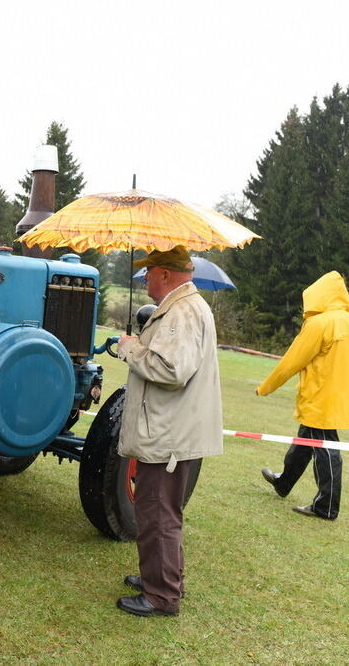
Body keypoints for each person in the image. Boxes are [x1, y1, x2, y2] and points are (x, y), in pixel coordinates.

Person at [114, 246, 223, 617]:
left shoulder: (181, 311)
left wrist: (131, 349)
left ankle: (161, 595)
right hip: (170, 430)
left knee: (158, 512)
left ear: (165, 274)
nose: (144, 278)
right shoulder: (186, 308)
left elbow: (171, 371)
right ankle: (161, 579)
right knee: (160, 509)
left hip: (168, 433)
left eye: (149, 272)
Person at [256, 271, 349, 520]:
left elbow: (291, 362)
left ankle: (326, 507)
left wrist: (265, 387)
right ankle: (283, 482)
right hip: (342, 397)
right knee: (304, 443)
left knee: (326, 450)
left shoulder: (319, 325)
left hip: (320, 398)